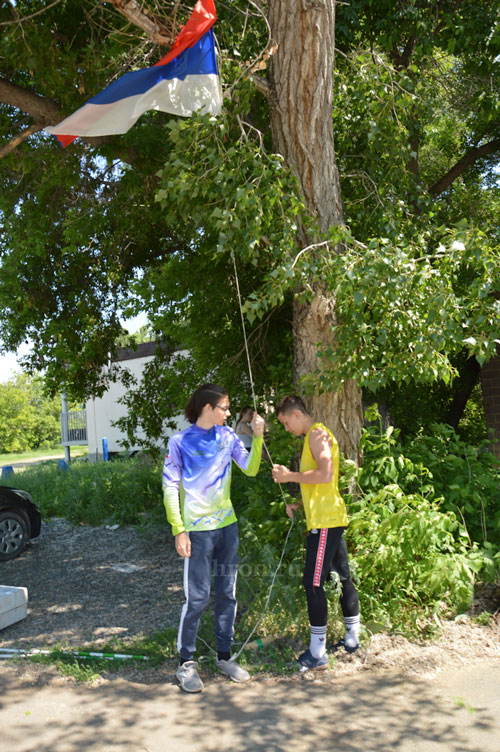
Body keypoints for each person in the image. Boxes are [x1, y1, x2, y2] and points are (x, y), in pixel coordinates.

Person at [162, 383, 265, 693]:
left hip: (227, 528)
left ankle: (223, 656)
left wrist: (258, 438)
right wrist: (178, 528)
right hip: (196, 532)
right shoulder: (179, 442)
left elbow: (250, 468)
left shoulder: (228, 437)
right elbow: (169, 487)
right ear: (208, 408)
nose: (229, 413)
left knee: (227, 594)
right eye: (225, 407)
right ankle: (186, 664)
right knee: (196, 598)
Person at [271, 395, 360, 671]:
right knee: (343, 576)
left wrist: (289, 476)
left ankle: (317, 652)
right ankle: (352, 639)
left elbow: (324, 474)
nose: (287, 429)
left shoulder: (317, 434)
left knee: (312, 582)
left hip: (325, 523)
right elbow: (323, 483)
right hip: (330, 517)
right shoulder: (316, 434)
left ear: (297, 415)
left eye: (286, 423)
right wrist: (300, 503)